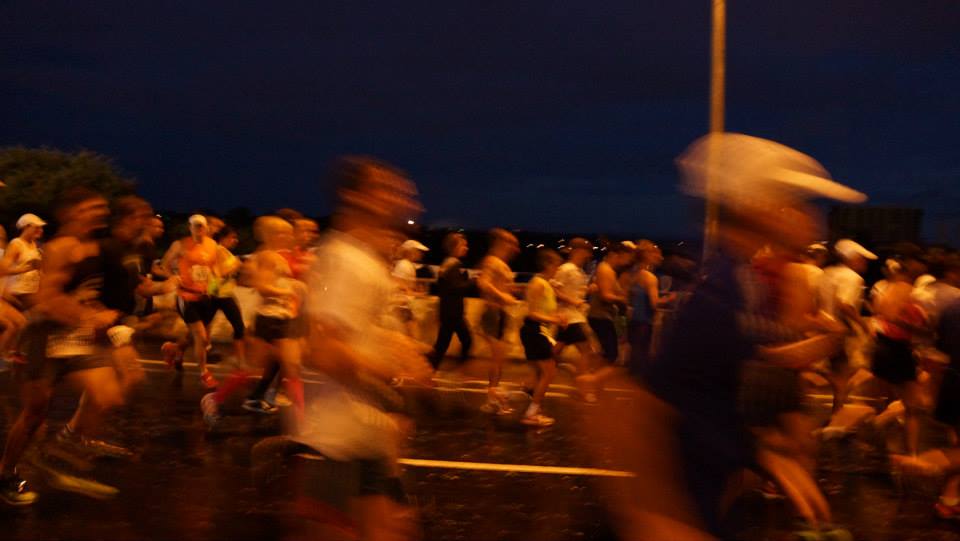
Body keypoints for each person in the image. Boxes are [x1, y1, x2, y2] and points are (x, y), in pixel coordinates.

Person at [584, 133, 867, 539]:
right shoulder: (718, 292)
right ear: (755, 207)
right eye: (792, 202)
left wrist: (761, 455)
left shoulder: (744, 283)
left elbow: (710, 392)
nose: (810, 217)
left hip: (710, 499)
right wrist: (652, 518)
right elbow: (637, 412)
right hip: (683, 512)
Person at [294, 156, 429, 539]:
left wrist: (398, 345)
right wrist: (396, 372)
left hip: (368, 434)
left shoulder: (365, 259)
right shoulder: (345, 260)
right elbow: (324, 351)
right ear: (354, 196)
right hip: (339, 441)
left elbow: (359, 333)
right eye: (387, 189)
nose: (406, 200)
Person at [0, 188, 126, 505]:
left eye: (103, 207)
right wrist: (88, 315)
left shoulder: (95, 248)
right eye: (93, 207)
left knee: (107, 393)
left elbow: (87, 292)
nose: (101, 211)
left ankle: (59, 453)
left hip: (76, 335)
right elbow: (47, 298)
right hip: (46, 336)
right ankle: (5, 474)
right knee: (34, 414)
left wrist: (102, 311)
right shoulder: (60, 247)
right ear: (72, 213)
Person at [202, 216, 306, 426]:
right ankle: (215, 399)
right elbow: (262, 286)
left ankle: (302, 419)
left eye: (289, 232)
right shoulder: (268, 256)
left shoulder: (276, 256)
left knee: (291, 366)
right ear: (270, 235)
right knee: (257, 367)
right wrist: (287, 292)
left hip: (281, 318)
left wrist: (294, 289)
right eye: (284, 233)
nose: (289, 237)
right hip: (269, 319)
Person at [161, 214, 219, 388]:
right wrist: (173, 277)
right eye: (195, 226)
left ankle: (174, 350)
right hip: (186, 296)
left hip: (205, 297)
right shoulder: (180, 245)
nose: (198, 229)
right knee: (201, 336)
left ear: (206, 228)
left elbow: (213, 268)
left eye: (201, 226)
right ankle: (204, 373)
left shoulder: (212, 245)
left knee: (196, 336)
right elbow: (164, 263)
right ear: (190, 228)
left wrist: (214, 287)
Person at [519, 249, 565, 426]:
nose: (558, 269)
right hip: (534, 331)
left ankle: (511, 397)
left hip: (539, 331)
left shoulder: (546, 284)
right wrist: (555, 320)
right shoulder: (537, 283)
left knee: (539, 374)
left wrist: (556, 317)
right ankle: (531, 414)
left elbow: (544, 310)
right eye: (556, 266)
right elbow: (532, 313)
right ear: (547, 265)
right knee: (548, 372)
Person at [476, 228, 521, 415]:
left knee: (499, 359)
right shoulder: (491, 261)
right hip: (492, 313)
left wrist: (512, 292)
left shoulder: (502, 264)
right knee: (497, 359)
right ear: (500, 243)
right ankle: (491, 400)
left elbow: (499, 285)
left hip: (501, 313)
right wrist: (502, 295)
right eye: (510, 243)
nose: (514, 248)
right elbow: (483, 283)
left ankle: (493, 398)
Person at [551, 238, 601, 399]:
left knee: (553, 353)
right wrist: (573, 301)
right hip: (569, 317)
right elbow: (554, 290)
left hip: (574, 317)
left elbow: (576, 292)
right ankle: (583, 388)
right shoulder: (565, 269)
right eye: (587, 251)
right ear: (577, 251)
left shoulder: (579, 271)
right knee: (587, 350)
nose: (588, 255)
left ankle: (534, 381)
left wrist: (589, 289)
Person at [622, 240, 673, 378]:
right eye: (657, 254)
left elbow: (627, 298)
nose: (660, 258)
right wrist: (670, 298)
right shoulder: (650, 278)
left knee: (633, 359)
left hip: (633, 321)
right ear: (648, 256)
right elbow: (654, 304)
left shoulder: (633, 275)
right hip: (644, 322)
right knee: (641, 360)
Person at [585, 242, 632, 382]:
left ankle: (592, 381)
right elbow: (606, 295)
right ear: (616, 255)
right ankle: (588, 379)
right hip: (601, 316)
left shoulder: (607, 269)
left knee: (605, 353)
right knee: (612, 355)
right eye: (626, 257)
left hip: (601, 316)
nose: (627, 262)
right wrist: (622, 299)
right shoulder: (606, 270)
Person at [429, 232, 475, 370]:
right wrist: (473, 281)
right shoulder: (453, 266)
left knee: (443, 344)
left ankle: (431, 367)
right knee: (465, 340)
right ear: (454, 247)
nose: (466, 248)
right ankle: (433, 367)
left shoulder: (447, 264)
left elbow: (447, 287)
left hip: (449, 311)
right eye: (463, 245)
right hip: (453, 313)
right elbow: (457, 288)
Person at [1, 213, 46, 310]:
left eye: (41, 228)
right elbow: (3, 270)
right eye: (37, 227)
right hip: (17, 294)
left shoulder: (34, 245)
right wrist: (27, 268)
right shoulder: (16, 244)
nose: (41, 230)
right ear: (26, 227)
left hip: (31, 293)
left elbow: (37, 269)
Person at [392, 239, 429, 340]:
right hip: (401, 307)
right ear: (410, 251)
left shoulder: (407, 265)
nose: (420, 254)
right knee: (412, 336)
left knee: (409, 336)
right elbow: (398, 286)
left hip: (403, 306)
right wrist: (420, 294)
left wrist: (415, 290)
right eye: (418, 251)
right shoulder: (404, 265)